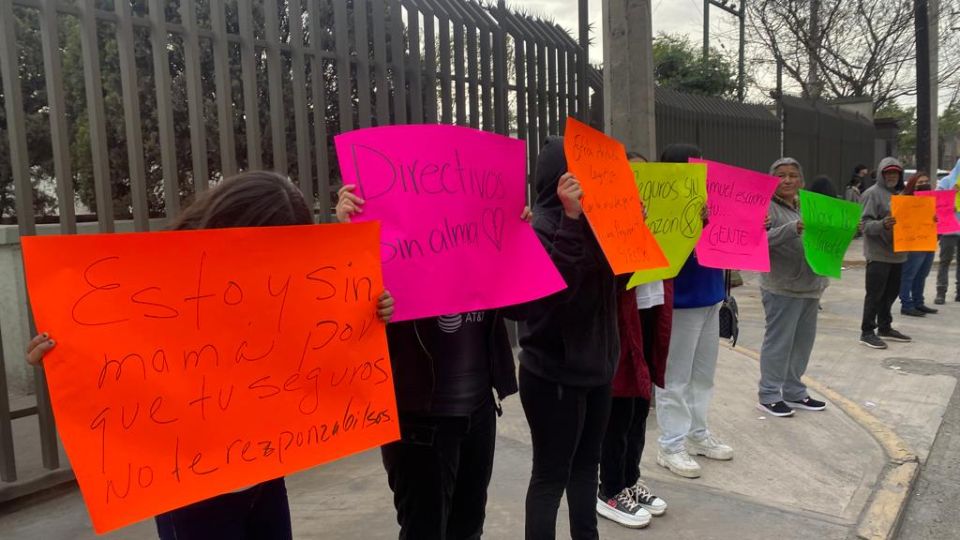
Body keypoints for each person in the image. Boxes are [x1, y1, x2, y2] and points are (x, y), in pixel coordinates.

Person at [27, 171, 396, 540]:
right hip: (193, 494)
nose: (273, 266)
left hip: (264, 477)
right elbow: (116, 357)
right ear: (227, 228)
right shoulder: (160, 285)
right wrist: (62, 353)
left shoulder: (284, 289)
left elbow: (324, 331)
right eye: (265, 250)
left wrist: (365, 309)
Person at [336, 186, 532, 540]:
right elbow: (346, 317)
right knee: (424, 531)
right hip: (419, 422)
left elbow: (525, 308)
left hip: (479, 413)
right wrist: (352, 235)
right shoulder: (391, 248)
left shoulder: (482, 246)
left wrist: (520, 241)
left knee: (469, 529)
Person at [519, 136, 620, 540]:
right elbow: (554, 295)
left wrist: (632, 233)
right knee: (550, 476)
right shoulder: (538, 226)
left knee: (586, 467)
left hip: (597, 371)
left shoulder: (597, 222)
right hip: (553, 376)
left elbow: (622, 285)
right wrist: (571, 220)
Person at [596, 151, 670, 529]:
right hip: (622, 317)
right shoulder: (605, 216)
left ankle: (629, 478)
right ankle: (609, 488)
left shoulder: (656, 212)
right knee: (620, 409)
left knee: (641, 407)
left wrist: (693, 225)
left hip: (649, 309)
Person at [655, 143, 732, 480]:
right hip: (681, 303)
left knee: (702, 376)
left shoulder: (713, 199)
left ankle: (697, 434)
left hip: (710, 298)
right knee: (675, 377)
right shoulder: (661, 202)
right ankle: (670, 445)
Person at [756, 158, 829, 418]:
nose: (787, 180)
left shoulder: (807, 206)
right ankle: (769, 395)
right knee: (779, 343)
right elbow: (758, 241)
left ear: (802, 180)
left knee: (802, 344)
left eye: (793, 175)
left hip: (811, 286)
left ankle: (795, 392)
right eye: (781, 175)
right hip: (781, 287)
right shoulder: (764, 208)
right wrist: (791, 229)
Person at [859, 157, 912, 350]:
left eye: (895, 173)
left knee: (892, 292)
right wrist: (882, 224)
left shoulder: (903, 194)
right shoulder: (871, 194)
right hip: (878, 254)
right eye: (888, 172)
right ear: (881, 174)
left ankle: (885, 326)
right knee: (874, 294)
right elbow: (863, 225)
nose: (892, 176)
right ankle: (867, 331)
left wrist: (928, 220)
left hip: (898, 253)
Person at [898, 173, 939, 317]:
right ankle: (906, 304)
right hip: (913, 243)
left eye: (926, 181)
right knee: (909, 275)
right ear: (912, 184)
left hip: (928, 241)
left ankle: (918, 302)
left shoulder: (931, 200)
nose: (924, 184)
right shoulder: (904, 199)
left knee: (922, 274)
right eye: (920, 182)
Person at [935, 169, 960, 305]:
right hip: (949, 228)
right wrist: (951, 194)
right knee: (945, 261)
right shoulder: (947, 181)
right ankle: (941, 292)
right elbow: (936, 200)